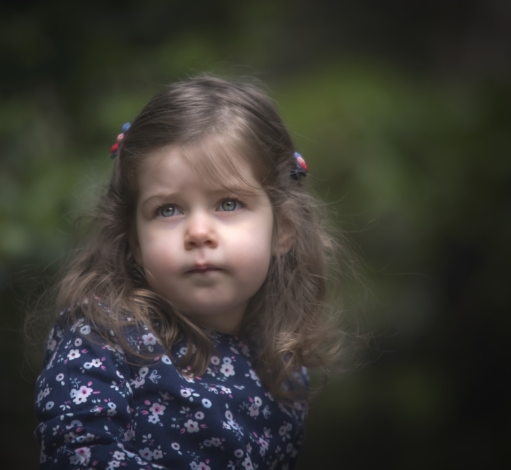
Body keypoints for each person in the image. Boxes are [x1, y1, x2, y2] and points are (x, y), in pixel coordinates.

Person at [32, 76, 344, 469]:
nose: (198, 232)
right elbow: (79, 455)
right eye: (168, 210)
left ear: (282, 228)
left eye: (228, 204)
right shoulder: (104, 334)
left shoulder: (283, 369)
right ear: (135, 240)